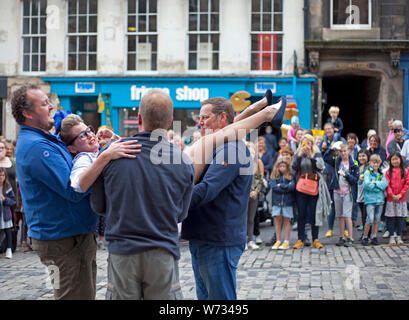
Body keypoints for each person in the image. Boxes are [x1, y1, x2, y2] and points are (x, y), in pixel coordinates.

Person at [90, 89, 195, 300]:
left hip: (123, 250)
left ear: (139, 118)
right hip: (162, 250)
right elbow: (181, 214)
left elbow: (98, 206)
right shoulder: (183, 161)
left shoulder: (112, 154)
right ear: (170, 122)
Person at [11, 85, 98, 300]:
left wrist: (93, 145)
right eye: (44, 103)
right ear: (27, 114)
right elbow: (75, 190)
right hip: (62, 242)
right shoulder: (38, 147)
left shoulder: (45, 139)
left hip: (71, 238)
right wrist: (105, 157)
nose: (51, 106)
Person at [181, 96, 255, 300]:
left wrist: (173, 199)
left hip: (218, 239)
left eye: (205, 117)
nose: (200, 122)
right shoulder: (217, 146)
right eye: (199, 118)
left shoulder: (231, 149)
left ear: (223, 117)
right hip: (206, 237)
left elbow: (206, 190)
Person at [292, 134, 325, 249]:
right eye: (304, 143)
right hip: (301, 188)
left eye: (309, 143)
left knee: (313, 214)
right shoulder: (298, 154)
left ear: (312, 144)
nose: (306, 145)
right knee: (301, 214)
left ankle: (315, 239)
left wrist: (311, 156)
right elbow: (293, 168)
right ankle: (300, 239)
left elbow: (321, 167)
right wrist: (300, 155)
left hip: (313, 187)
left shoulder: (316, 154)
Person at [324, 143, 359, 247]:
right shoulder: (336, 161)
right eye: (341, 151)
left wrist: (346, 175)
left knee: (347, 215)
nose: (343, 153)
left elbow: (355, 180)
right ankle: (341, 237)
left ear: (348, 151)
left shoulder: (353, 164)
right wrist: (331, 148)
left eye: (345, 151)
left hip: (348, 192)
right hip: (337, 191)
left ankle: (351, 238)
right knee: (339, 215)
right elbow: (326, 158)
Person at [361, 154, 388, 246]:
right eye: (374, 162)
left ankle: (374, 236)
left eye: (377, 162)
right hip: (370, 200)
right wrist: (378, 185)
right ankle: (365, 237)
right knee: (370, 219)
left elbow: (385, 184)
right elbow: (367, 185)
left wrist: (375, 183)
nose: (375, 164)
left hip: (380, 200)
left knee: (377, 219)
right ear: (370, 163)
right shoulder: (367, 173)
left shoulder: (381, 173)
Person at [270, 158, 296, 250]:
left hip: (287, 202)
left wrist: (281, 185)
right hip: (277, 202)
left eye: (284, 166)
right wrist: (286, 188)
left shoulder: (291, 176)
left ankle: (286, 241)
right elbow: (273, 187)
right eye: (280, 166)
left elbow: (292, 187)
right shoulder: (274, 176)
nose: (282, 168)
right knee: (277, 221)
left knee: (286, 221)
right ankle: (278, 240)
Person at [385, 152, 409, 245]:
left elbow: (407, 184)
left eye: (397, 159)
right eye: (393, 159)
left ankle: (398, 236)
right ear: (390, 161)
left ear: (401, 160)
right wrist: (392, 195)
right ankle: (392, 236)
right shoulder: (388, 172)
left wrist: (400, 194)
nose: (395, 161)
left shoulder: (405, 171)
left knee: (400, 218)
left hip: (401, 199)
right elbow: (387, 185)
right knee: (391, 218)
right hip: (391, 199)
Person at [245, 141, 264, 250]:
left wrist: (256, 191)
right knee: (242, 218)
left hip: (254, 194)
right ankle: (242, 241)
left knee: (251, 219)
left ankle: (250, 240)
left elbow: (261, 179)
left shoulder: (257, 163)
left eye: (252, 150)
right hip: (243, 194)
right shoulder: (241, 163)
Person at [0, 168, 16, 259]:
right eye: (0, 175)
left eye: (2, 175)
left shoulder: (8, 187)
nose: (1, 177)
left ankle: (9, 250)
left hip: (5, 213)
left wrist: (5, 200)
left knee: (8, 231)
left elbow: (13, 201)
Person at [356, 149, 371, 232]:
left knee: (366, 216)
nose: (361, 158)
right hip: (360, 194)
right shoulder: (358, 167)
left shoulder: (369, 167)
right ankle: (365, 234)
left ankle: (367, 234)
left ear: (367, 157)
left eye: (363, 156)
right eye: (360, 156)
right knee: (362, 216)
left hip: (367, 195)